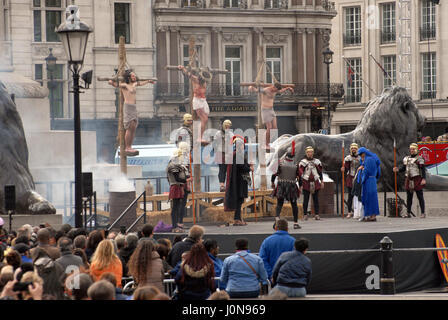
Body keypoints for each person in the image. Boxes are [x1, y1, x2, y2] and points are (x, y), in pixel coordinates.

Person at [108, 69, 156, 156]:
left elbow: (141, 83)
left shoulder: (134, 84)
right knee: (129, 127)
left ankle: (130, 146)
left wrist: (149, 81)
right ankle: (127, 147)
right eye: (133, 76)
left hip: (134, 107)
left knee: (133, 127)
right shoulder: (124, 85)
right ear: (129, 77)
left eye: (134, 75)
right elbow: (114, 84)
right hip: (128, 107)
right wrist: (111, 81)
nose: (134, 77)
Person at [249, 82, 293, 149]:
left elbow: (281, 91)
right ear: (273, 87)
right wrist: (251, 87)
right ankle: (266, 144)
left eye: (276, 91)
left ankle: (265, 141)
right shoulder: (266, 90)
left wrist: (288, 88)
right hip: (265, 110)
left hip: (271, 109)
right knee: (269, 127)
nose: (276, 91)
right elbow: (256, 90)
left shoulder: (276, 90)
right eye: (275, 90)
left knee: (275, 128)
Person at [271, 140, 301, 229]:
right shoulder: (296, 165)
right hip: (291, 185)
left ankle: (277, 218)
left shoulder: (280, 164)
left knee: (279, 203)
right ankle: (295, 223)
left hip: (281, 185)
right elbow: (299, 177)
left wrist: (272, 182)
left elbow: (274, 174)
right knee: (294, 205)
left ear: (286, 155)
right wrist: (301, 186)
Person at [177, 65, 211, 142]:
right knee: (204, 119)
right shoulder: (196, 80)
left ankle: (200, 136)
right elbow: (188, 74)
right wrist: (182, 68)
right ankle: (199, 137)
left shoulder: (204, 81)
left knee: (205, 119)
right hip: (198, 100)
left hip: (203, 100)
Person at [224, 135, 253, 226]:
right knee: (239, 201)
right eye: (242, 145)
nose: (243, 146)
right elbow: (242, 167)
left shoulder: (235, 154)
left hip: (237, 180)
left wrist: (248, 165)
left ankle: (239, 218)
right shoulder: (238, 154)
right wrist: (250, 168)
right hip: (239, 181)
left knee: (239, 201)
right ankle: (237, 219)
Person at [393, 143, 426, 218]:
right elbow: (404, 168)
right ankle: (408, 213)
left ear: (416, 150)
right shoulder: (406, 158)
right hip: (408, 179)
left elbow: (423, 169)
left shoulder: (420, 159)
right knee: (409, 197)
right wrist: (398, 169)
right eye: (411, 149)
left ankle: (423, 213)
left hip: (417, 178)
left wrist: (423, 179)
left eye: (413, 149)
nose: (412, 150)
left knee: (420, 196)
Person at [167, 142, 191, 232]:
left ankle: (176, 225)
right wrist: (187, 181)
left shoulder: (177, 165)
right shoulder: (173, 165)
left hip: (179, 186)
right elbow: (178, 178)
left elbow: (184, 176)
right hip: (176, 186)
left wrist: (186, 180)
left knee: (177, 207)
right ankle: (175, 226)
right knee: (175, 208)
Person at [299, 146, 324, 221]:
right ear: (306, 153)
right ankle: (305, 215)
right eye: (308, 152)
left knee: (316, 199)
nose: (310, 154)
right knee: (306, 199)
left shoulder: (317, 161)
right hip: (306, 182)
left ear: (313, 153)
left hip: (315, 181)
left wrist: (322, 181)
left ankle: (316, 214)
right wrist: (300, 185)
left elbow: (320, 172)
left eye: (311, 152)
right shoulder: (303, 162)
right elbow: (300, 173)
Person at [357, 147, 381, 222]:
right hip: (372, 180)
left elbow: (366, 171)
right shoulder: (373, 158)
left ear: (364, 153)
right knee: (373, 198)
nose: (361, 156)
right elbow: (379, 171)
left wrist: (362, 170)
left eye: (361, 154)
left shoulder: (368, 160)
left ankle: (371, 216)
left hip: (368, 181)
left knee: (369, 198)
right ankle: (372, 215)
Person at [213, 119, 234, 192]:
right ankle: (222, 185)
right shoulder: (218, 133)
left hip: (228, 153)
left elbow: (233, 143)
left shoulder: (231, 134)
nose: (227, 128)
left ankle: (228, 185)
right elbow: (215, 143)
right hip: (220, 152)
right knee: (222, 170)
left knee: (229, 170)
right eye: (226, 126)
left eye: (229, 126)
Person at [341, 143, 361, 218]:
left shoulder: (360, 158)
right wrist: (343, 169)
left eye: (355, 148)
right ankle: (349, 212)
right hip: (350, 177)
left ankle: (358, 211)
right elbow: (346, 168)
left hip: (358, 177)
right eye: (352, 148)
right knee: (350, 195)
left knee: (359, 195)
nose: (353, 149)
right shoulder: (347, 158)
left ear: (357, 149)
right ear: (350, 149)